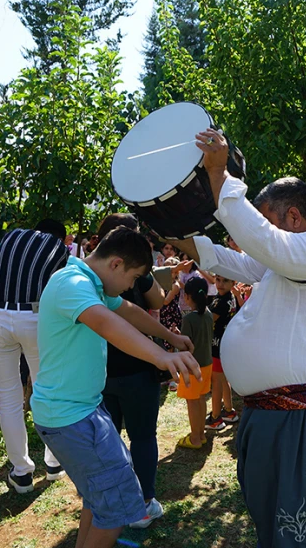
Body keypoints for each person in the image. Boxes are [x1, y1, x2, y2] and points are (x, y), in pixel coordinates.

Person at [173, 129, 306, 548]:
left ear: (292, 217)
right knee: (270, 517)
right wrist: (171, 226)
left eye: (268, 218)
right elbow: (227, 257)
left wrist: (221, 176)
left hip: (299, 416)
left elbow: (259, 239)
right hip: (271, 414)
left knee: (296, 526)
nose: (262, 231)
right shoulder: (287, 261)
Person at [31, 226, 200, 548]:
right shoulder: (73, 283)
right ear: (116, 264)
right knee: (118, 509)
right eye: (134, 277)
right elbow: (108, 323)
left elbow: (127, 310)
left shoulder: (90, 283)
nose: (132, 286)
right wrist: (162, 357)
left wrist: (170, 336)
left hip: (84, 410)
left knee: (100, 502)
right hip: (71, 418)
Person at [0, 219, 71, 493]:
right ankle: (54, 463)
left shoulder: (12, 236)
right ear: (61, 237)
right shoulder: (60, 249)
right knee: (46, 390)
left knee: (8, 396)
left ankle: (21, 472)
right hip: (33, 316)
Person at [95, 213, 170, 530]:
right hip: (134, 369)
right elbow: (157, 301)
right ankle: (141, 503)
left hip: (101, 371)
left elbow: (127, 309)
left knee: (108, 440)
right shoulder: (119, 275)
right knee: (141, 436)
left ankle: (116, 501)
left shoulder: (87, 276)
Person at [175, 276, 214, 449]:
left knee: (192, 402)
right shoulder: (209, 314)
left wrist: (175, 335)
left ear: (188, 296)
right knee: (201, 399)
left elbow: (185, 346)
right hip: (207, 364)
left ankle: (195, 438)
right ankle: (201, 434)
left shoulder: (189, 319)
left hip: (192, 367)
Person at [205, 274, 240, 431]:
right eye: (218, 279)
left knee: (216, 382)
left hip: (217, 345)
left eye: (225, 280)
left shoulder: (221, 301)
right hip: (226, 345)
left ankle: (215, 418)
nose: (220, 284)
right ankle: (229, 410)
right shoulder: (231, 296)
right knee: (224, 379)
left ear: (233, 282)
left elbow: (208, 321)